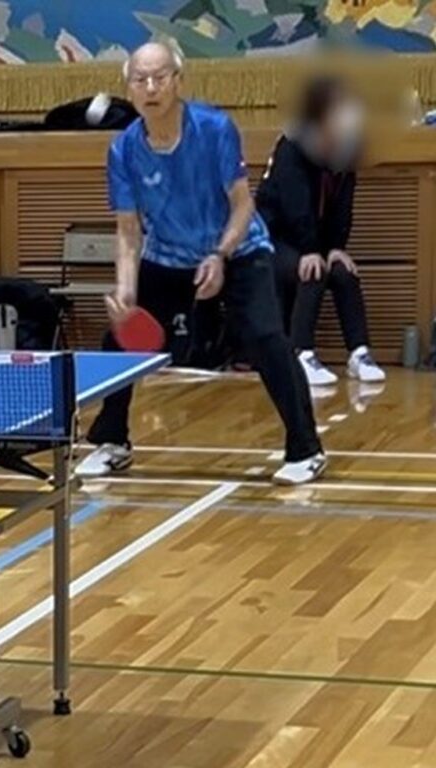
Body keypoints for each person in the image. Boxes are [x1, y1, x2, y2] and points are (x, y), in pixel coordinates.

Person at [76, 42, 325, 486]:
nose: (150, 88)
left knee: (266, 337)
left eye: (160, 77)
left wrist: (220, 255)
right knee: (119, 341)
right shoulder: (123, 150)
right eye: (140, 80)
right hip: (169, 255)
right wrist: (126, 290)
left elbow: (243, 205)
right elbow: (128, 230)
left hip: (239, 249)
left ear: (178, 81)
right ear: (128, 88)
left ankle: (306, 449)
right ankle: (112, 440)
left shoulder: (214, 128)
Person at [256, 76, 385, 386]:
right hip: (273, 238)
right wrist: (311, 249)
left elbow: (343, 204)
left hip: (314, 240)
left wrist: (337, 247)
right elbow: (295, 204)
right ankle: (301, 353)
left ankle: (359, 352)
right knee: (312, 271)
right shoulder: (293, 145)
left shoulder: (347, 149)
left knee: (343, 272)